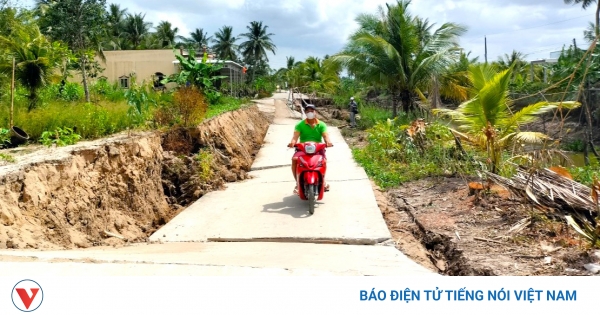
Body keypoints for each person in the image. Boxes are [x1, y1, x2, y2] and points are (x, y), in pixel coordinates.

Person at [288, 104, 333, 195]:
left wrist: (328, 142)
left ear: (315, 112)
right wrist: (292, 142)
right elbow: (295, 137)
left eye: (312, 111)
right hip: (303, 147)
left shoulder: (321, 124)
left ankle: (323, 181)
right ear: (305, 113)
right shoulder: (300, 125)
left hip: (318, 147)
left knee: (323, 161)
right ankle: (297, 183)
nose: (310, 113)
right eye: (307, 111)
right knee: (294, 160)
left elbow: (325, 136)